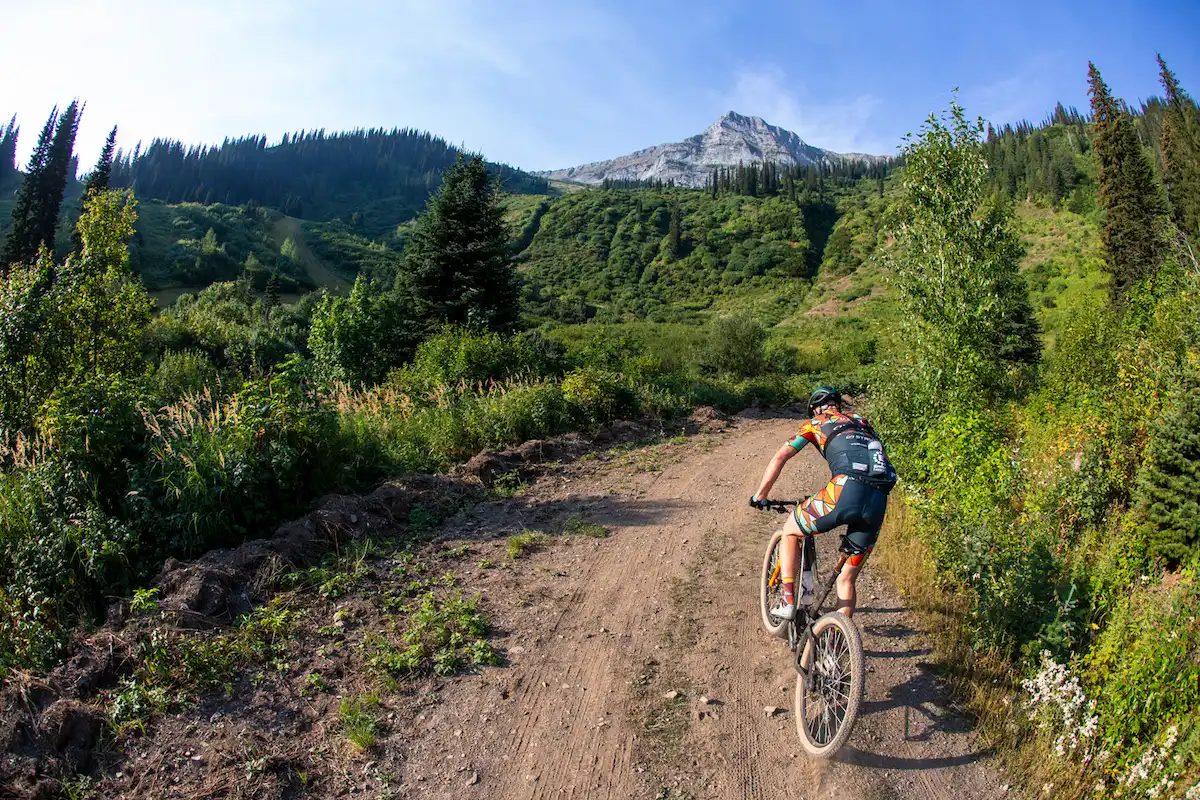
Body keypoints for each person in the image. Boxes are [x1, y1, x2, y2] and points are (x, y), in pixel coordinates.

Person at [749, 386, 896, 619]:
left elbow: (781, 456)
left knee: (790, 531)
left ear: (816, 409)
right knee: (846, 579)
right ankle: (838, 638)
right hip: (878, 498)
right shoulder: (861, 421)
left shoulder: (814, 423)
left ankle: (788, 602)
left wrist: (760, 496)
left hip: (844, 489)